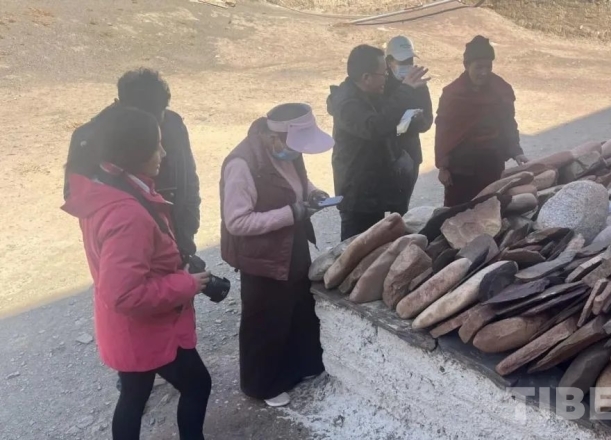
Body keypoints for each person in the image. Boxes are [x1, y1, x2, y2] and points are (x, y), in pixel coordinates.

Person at [61, 105, 212, 440]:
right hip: (148, 329)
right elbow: (125, 293)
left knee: (133, 395)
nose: (163, 153)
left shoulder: (105, 187)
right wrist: (186, 283)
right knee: (198, 385)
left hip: (125, 329)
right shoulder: (126, 213)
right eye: (155, 146)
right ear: (132, 153)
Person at [220, 103, 333, 407]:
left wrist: (313, 193)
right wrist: (291, 213)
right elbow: (237, 221)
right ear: (273, 137)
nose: (297, 154)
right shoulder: (242, 164)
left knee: (298, 308)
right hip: (262, 256)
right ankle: (263, 385)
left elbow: (296, 182)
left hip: (291, 243)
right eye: (294, 147)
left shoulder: (287, 150)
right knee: (265, 321)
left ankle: (301, 366)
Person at [65, 68, 201, 256]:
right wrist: (126, 223)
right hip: (128, 243)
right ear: (123, 108)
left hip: (177, 238)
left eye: (158, 117)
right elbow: (77, 196)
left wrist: (189, 228)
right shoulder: (89, 137)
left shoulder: (173, 124)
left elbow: (189, 180)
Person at [328, 44, 430, 240]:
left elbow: (389, 125)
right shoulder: (347, 103)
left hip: (374, 190)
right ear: (366, 77)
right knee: (357, 248)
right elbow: (374, 127)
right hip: (358, 195)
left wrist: (411, 120)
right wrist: (405, 90)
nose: (387, 78)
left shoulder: (371, 94)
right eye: (384, 74)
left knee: (378, 245)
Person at [434, 35, 529, 207]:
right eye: (479, 67)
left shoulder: (500, 90)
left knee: (490, 208)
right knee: (457, 212)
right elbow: (443, 131)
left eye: (488, 67)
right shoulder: (452, 94)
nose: (484, 72)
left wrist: (516, 151)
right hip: (460, 168)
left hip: (491, 165)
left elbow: (508, 123)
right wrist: (443, 166)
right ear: (466, 65)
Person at [385, 35, 434, 214]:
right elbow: (379, 124)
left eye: (410, 60)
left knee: (400, 211)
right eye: (402, 61)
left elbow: (428, 121)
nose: (407, 65)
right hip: (383, 156)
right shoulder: (380, 85)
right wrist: (402, 124)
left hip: (409, 155)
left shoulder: (420, 85)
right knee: (377, 215)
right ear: (389, 61)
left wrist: (418, 121)